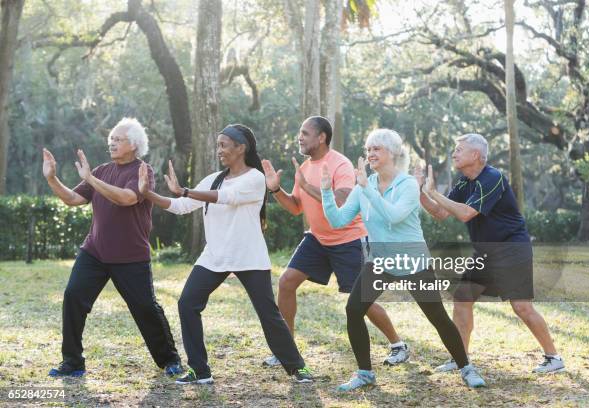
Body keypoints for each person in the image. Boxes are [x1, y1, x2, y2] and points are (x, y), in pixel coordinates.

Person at [138, 124, 313, 384]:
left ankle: (297, 367)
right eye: (218, 145)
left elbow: (226, 197)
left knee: (268, 313)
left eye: (223, 145)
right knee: (187, 303)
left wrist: (185, 189)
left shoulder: (255, 179)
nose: (219, 150)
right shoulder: (213, 178)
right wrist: (148, 194)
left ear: (241, 148)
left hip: (248, 256)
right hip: (215, 256)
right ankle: (200, 370)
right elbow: (181, 206)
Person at [321, 129, 486, 390]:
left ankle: (466, 367)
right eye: (368, 149)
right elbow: (338, 221)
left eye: (377, 148)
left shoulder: (407, 184)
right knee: (353, 310)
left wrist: (367, 188)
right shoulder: (365, 185)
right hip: (380, 262)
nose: (370, 153)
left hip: (413, 262)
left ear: (393, 153)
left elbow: (393, 216)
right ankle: (364, 373)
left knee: (438, 317)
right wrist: (326, 191)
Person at [261, 117, 408, 368]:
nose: (300, 137)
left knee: (361, 299)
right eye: (300, 133)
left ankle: (398, 344)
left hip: (348, 239)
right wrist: (275, 190)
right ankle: (286, 350)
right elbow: (296, 208)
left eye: (305, 133)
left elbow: (340, 200)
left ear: (321, 137)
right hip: (318, 238)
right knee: (286, 282)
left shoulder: (339, 163)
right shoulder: (304, 168)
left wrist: (307, 186)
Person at [43, 118, 183, 378]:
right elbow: (73, 199)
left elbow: (127, 198)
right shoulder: (102, 170)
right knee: (73, 297)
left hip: (130, 256)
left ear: (134, 144)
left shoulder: (143, 171)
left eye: (118, 139)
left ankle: (170, 360)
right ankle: (72, 362)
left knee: (145, 308)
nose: (112, 143)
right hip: (94, 251)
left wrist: (91, 180)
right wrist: (52, 178)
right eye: (111, 139)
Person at [419, 133, 564, 374]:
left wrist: (434, 192)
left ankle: (554, 357)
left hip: (511, 248)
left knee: (522, 307)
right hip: (486, 252)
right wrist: (420, 192)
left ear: (475, 155)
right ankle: (460, 358)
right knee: (463, 297)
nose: (454, 153)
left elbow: (466, 213)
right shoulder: (464, 181)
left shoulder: (492, 177)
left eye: (459, 149)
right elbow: (441, 213)